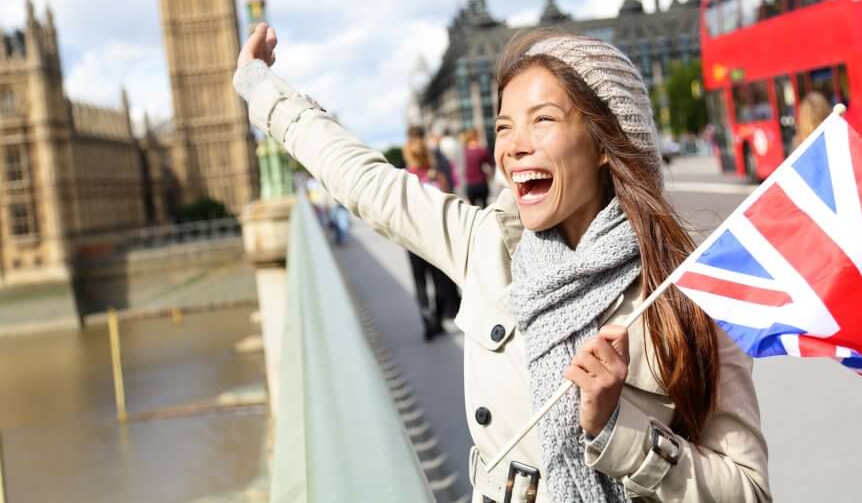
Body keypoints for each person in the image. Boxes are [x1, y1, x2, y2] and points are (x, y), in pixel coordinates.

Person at [234, 24, 771, 502]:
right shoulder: (486, 247)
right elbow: (365, 182)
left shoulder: (687, 290)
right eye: (504, 126)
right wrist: (262, 90)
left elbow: (748, 490)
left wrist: (619, 429)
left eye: (542, 120)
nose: (513, 146)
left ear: (607, 142)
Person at [402, 131, 459, 340]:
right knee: (438, 278)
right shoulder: (436, 176)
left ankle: (426, 318)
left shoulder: (405, 179)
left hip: (412, 237)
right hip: (435, 237)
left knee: (419, 281)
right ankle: (438, 316)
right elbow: (449, 201)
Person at [462, 129, 494, 208]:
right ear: (476, 137)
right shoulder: (481, 151)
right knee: (484, 207)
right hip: (481, 182)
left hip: (470, 184)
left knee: (472, 209)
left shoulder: (464, 151)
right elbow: (491, 163)